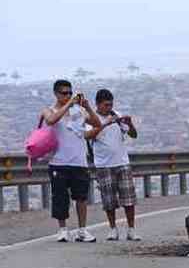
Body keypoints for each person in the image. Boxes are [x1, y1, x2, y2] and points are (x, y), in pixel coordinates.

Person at [40, 79, 102, 242]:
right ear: (56, 93)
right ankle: (63, 230)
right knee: (60, 197)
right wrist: (68, 105)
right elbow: (51, 120)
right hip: (58, 161)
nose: (67, 96)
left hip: (79, 161)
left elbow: (97, 123)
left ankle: (82, 230)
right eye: (64, 93)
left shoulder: (79, 112)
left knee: (81, 197)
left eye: (69, 93)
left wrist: (86, 106)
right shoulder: (49, 110)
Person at [85, 89, 141, 241]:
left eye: (111, 104)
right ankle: (113, 229)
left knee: (128, 198)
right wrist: (104, 123)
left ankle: (131, 229)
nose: (109, 108)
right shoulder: (91, 118)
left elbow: (133, 135)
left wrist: (129, 123)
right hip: (103, 164)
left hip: (122, 162)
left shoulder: (116, 115)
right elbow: (88, 136)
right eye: (106, 105)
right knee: (109, 200)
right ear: (98, 104)